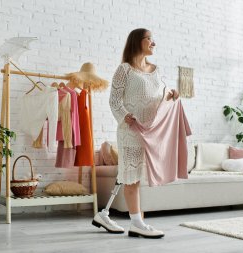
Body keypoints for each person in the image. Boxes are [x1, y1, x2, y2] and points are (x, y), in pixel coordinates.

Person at [93, 28, 179, 238]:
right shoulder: (124, 70)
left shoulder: (156, 70)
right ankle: (137, 223)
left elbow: (160, 95)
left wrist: (172, 94)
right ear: (138, 41)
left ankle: (104, 215)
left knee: (131, 175)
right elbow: (114, 101)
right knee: (132, 179)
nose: (154, 43)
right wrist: (124, 116)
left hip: (150, 133)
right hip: (130, 131)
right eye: (149, 39)